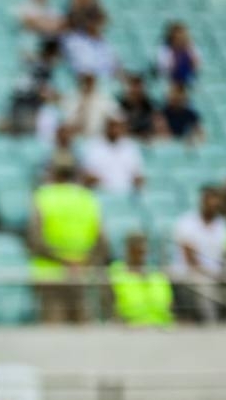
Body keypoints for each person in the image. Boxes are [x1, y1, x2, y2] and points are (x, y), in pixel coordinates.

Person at [29, 160, 104, 323]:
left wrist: (64, 261)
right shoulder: (87, 198)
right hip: (82, 273)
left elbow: (35, 240)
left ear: (53, 175)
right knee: (83, 328)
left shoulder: (43, 197)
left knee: (54, 331)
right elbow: (101, 241)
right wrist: (82, 262)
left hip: (50, 275)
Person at [170, 186, 226, 323]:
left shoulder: (223, 225)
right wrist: (213, 274)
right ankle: (211, 323)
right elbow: (191, 260)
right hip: (190, 272)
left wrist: (224, 273)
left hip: (216, 273)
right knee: (204, 285)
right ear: (203, 201)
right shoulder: (186, 222)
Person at [108, 232, 173, 327]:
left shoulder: (158, 277)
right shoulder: (115, 274)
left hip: (162, 328)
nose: (141, 254)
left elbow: (171, 307)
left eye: (143, 250)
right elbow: (110, 310)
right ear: (128, 250)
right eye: (136, 249)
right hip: (129, 329)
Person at [81, 113, 144, 195]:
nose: (116, 130)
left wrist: (138, 182)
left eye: (120, 126)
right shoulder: (93, 146)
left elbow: (138, 174)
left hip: (126, 194)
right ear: (106, 126)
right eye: (113, 126)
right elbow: (87, 175)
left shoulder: (131, 146)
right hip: (101, 193)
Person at [62, 71, 119, 140]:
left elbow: (116, 117)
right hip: (75, 138)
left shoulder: (103, 98)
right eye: (85, 81)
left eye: (90, 81)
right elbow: (67, 121)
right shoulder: (71, 97)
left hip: (97, 138)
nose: (88, 84)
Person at [157, 21, 200, 87]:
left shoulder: (190, 47)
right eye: (178, 36)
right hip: (171, 79)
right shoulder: (164, 49)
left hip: (188, 78)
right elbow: (164, 68)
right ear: (172, 36)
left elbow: (196, 64)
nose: (180, 38)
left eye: (182, 35)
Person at [116, 74, 159, 140]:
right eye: (133, 87)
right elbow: (120, 126)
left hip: (145, 139)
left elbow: (153, 126)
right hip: (126, 138)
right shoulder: (121, 105)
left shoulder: (149, 106)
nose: (136, 91)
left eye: (138, 87)